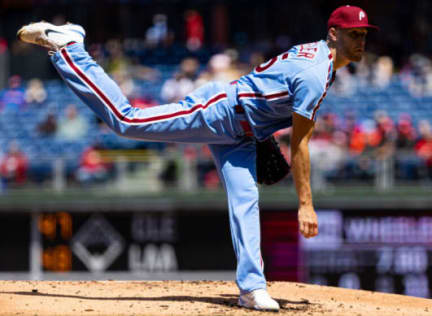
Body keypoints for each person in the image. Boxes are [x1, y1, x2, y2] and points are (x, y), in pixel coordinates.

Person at [17, 5, 377, 311]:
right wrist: (305, 205)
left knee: (245, 201)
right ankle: (72, 48)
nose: (360, 41)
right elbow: (300, 144)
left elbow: (269, 88)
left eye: (363, 34)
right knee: (126, 120)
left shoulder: (316, 57)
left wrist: (262, 132)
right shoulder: (316, 73)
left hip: (243, 130)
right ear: (333, 33)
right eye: (353, 34)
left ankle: (252, 288)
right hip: (220, 113)